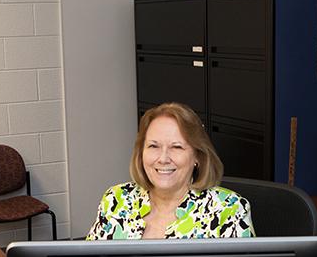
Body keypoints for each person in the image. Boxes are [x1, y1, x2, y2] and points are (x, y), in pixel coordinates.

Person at [87, 102, 255, 240]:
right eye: (153, 146)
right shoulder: (116, 200)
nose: (163, 158)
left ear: (197, 156)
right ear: (141, 153)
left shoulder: (229, 209)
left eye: (176, 147)